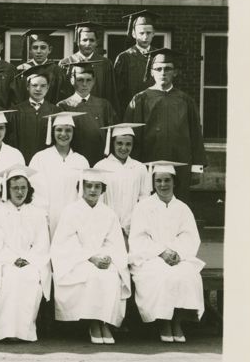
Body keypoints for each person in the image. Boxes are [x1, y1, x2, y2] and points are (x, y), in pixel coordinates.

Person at [50, 169, 130, 345]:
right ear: (81, 188)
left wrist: (108, 257)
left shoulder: (109, 213)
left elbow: (114, 242)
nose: (93, 190)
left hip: (103, 259)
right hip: (78, 260)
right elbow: (65, 243)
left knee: (110, 275)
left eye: (97, 186)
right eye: (89, 186)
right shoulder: (71, 211)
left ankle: (105, 322)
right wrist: (91, 257)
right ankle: (94, 323)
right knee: (93, 276)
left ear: (103, 190)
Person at [128, 161, 206, 343]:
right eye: (158, 181)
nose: (163, 185)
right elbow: (138, 239)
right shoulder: (143, 207)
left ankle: (177, 321)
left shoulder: (182, 208)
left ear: (174, 182)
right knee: (161, 276)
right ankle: (163, 321)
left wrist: (177, 253)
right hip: (150, 257)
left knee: (187, 274)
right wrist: (162, 252)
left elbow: (190, 237)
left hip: (179, 257)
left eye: (167, 180)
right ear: (153, 183)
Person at [124, 48, 207, 199]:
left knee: (178, 205)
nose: (163, 72)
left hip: (180, 164)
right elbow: (130, 136)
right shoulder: (140, 99)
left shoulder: (186, 100)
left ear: (175, 72)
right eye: (158, 69)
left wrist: (196, 167)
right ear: (151, 72)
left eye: (168, 69)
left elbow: (195, 135)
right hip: (148, 163)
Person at [0, 166, 51, 342]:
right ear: (7, 189)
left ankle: (24, 331)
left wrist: (28, 259)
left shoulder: (37, 213)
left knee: (29, 278)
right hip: (4, 263)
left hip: (30, 263)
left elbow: (42, 244)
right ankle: (3, 331)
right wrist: (13, 259)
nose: (20, 192)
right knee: (9, 279)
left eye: (23, 188)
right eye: (15, 188)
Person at [28, 112, 90, 236]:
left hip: (74, 220)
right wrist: (42, 218)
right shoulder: (40, 158)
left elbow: (83, 194)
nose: (63, 134)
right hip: (47, 219)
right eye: (59, 130)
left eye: (68, 130)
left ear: (73, 133)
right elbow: (36, 192)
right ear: (53, 132)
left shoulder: (81, 161)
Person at [57, 62, 119, 167]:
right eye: (80, 80)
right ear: (72, 80)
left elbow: (113, 134)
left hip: (101, 159)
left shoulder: (104, 105)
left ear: (94, 81)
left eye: (88, 80)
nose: (84, 84)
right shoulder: (63, 106)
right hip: (74, 161)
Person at [96, 123, 151, 235]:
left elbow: (144, 200)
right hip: (106, 227)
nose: (124, 148)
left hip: (133, 227)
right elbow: (97, 201)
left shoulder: (140, 168)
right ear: (113, 143)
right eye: (119, 143)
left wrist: (132, 223)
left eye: (128, 144)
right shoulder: (100, 167)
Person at [58, 20, 117, 107]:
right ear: (78, 42)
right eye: (84, 40)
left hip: (98, 110)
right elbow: (61, 94)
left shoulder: (105, 63)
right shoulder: (66, 63)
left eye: (92, 40)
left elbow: (110, 94)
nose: (88, 43)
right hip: (72, 109)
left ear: (97, 42)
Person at [10, 64, 60, 164]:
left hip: (48, 163)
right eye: (34, 85)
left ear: (48, 88)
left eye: (43, 86)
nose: (38, 89)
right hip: (22, 162)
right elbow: (12, 142)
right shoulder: (16, 111)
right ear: (28, 87)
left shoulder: (55, 111)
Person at [114, 10, 161, 116]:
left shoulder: (159, 56)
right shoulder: (124, 58)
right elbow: (118, 92)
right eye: (141, 33)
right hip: (131, 110)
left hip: (155, 110)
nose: (145, 37)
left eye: (148, 33)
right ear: (134, 34)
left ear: (154, 33)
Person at [11, 29, 64, 105]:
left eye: (43, 47)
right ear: (30, 50)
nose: (39, 51)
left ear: (50, 50)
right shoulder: (21, 69)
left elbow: (61, 97)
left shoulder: (57, 71)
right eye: (35, 48)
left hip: (50, 112)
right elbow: (16, 96)